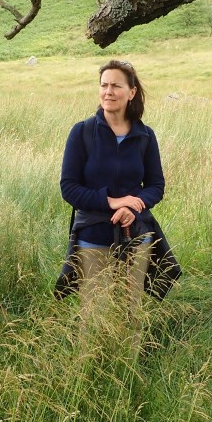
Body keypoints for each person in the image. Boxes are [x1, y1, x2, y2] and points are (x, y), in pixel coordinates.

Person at [60, 60, 165, 328]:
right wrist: (112, 201)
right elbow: (69, 187)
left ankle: (128, 368)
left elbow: (156, 185)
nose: (108, 91)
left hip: (136, 237)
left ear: (131, 92)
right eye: (104, 85)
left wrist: (133, 208)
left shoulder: (145, 136)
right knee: (94, 315)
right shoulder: (82, 132)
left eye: (116, 85)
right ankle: (88, 370)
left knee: (132, 313)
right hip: (93, 238)